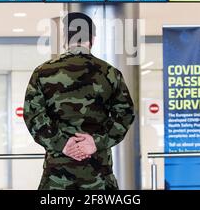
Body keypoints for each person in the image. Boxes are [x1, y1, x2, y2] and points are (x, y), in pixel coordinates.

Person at [23, 12, 135, 190]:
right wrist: (96, 142)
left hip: (57, 176)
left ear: (65, 38)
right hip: (99, 174)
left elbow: (33, 115)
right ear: (93, 38)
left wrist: (63, 144)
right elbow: (126, 114)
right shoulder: (111, 73)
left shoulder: (42, 73)